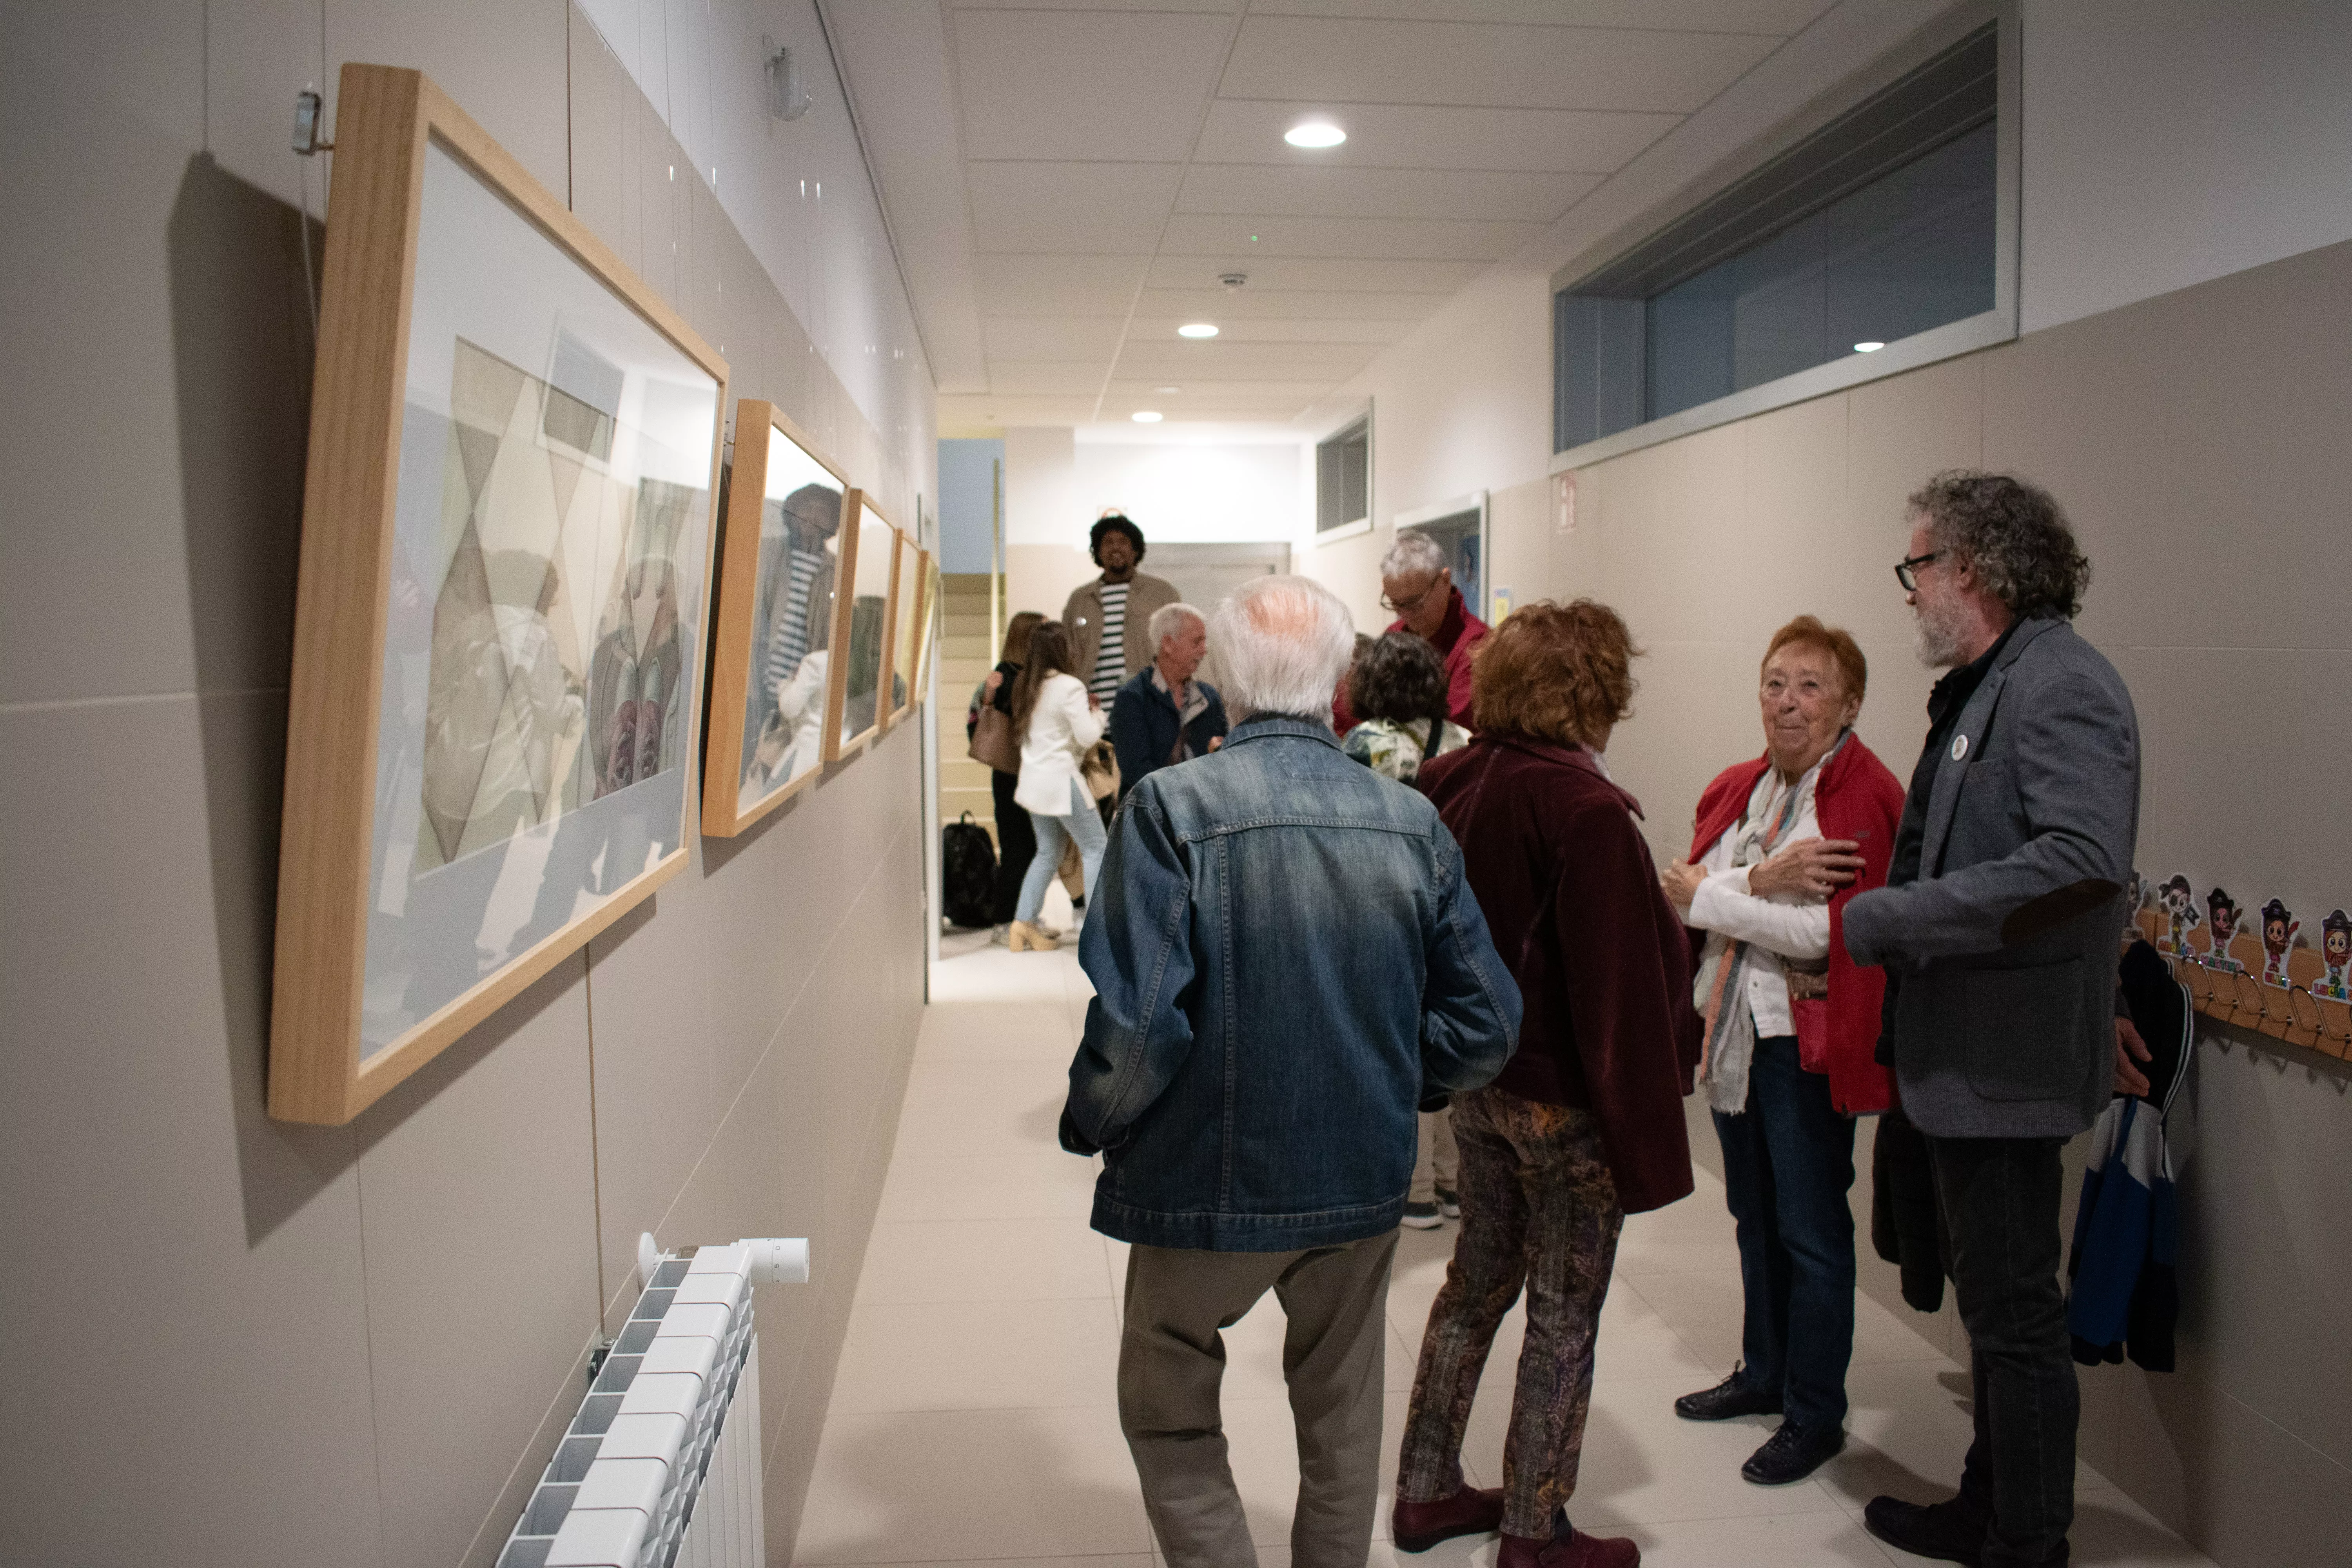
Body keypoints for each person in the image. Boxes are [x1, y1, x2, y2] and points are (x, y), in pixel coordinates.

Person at [1061, 575, 1522, 1568]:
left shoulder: (1169, 808)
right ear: (1338, 678)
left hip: (1198, 1180)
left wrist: (1092, 1121)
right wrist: (1400, 1071)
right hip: (1359, 1178)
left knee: (1170, 1407)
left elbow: (1139, 1028)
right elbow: (1487, 1025)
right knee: (1344, 1421)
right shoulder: (1410, 820)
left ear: (1224, 673)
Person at [1843, 471, 2140, 1568]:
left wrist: (1897, 916)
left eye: (1917, 565)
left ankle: (2028, 1540)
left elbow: (2079, 861)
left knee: (2015, 1318)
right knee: (1991, 1308)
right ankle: (1991, 1502)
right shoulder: (1990, 682)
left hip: (2005, 1070)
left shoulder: (2061, 685)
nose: (1911, 589)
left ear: (1970, 567)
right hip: (1961, 1057)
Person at [1396, 600, 1700, 1568]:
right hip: (1563, 1101)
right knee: (1564, 1311)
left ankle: (1426, 1486)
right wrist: (1646, 1130)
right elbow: (1616, 993)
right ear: (1596, 690)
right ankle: (1535, 1530)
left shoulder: (1448, 778)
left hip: (1479, 1087)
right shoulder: (1587, 809)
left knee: (1474, 1283)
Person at [1658, 616, 1905, 1486]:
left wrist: (1719, 892)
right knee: (1753, 1218)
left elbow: (1819, 932)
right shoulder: (1742, 788)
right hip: (1737, 1037)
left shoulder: (1863, 795)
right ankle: (1762, 1370)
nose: (1788, 702)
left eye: (1809, 685)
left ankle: (1814, 1410)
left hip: (1806, 1047)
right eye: (1774, 682)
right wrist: (1758, 880)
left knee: (1811, 1231)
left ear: (1850, 702)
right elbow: (1678, 893)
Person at [1341, 630, 1473, 1231]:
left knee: (1401, 1043)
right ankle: (1452, 1181)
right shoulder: (1464, 742)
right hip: (1453, 907)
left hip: (1385, 908)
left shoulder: (1365, 744)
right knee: (1445, 1042)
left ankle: (1415, 1190)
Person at [1008, 621, 1109, 953]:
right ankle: (1097, 932)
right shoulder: (1070, 687)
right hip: (1062, 782)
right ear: (1063, 650)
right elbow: (1088, 737)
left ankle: (1023, 924)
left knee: (1047, 852)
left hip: (1034, 782)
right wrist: (1098, 716)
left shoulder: (1027, 683)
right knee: (1096, 846)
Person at [1333, 531, 1489, 732]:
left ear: (1445, 581)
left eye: (1414, 603)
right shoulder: (1394, 635)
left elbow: (1453, 731)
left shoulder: (1479, 645)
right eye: (1396, 604)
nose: (1404, 614)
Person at [968, 610, 1044, 940]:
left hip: (1008, 773)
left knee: (1022, 846)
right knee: (1020, 848)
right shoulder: (1016, 679)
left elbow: (973, 723)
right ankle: (1008, 920)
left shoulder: (999, 676)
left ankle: (1019, 918)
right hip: (1020, 772)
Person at [1108, 602, 1227, 800]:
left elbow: (1225, 754)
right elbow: (1137, 771)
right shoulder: (1133, 698)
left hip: (1202, 810)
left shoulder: (1209, 698)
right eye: (1197, 642)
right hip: (1151, 815)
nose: (1204, 651)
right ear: (1168, 645)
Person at [1064, 512, 1181, 706]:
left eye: (1123, 542)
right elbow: (1067, 657)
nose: (1116, 547)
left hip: (1149, 708)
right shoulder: (1079, 600)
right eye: (1108, 542)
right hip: (1091, 713)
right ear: (1099, 552)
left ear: (1135, 550)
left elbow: (1180, 648)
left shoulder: (1162, 593)